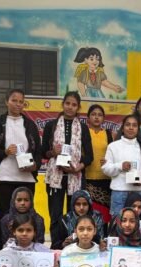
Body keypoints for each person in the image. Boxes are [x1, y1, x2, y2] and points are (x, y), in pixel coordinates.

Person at [42, 91, 93, 244]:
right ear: (63, 104)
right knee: (55, 214)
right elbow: (43, 152)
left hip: (75, 177)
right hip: (55, 178)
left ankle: (74, 245)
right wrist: (53, 152)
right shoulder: (51, 126)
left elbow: (89, 156)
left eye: (74, 105)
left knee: (75, 214)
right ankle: (56, 246)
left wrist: (78, 168)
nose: (70, 107)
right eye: (67, 103)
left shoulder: (83, 128)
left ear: (78, 107)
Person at [0, 89, 42, 220]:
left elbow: (38, 152)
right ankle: (4, 235)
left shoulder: (30, 125)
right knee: (4, 214)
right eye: (14, 100)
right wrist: (5, 152)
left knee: (26, 217)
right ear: (6, 102)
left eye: (21, 102)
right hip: (3, 177)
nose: (18, 104)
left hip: (26, 178)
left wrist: (35, 166)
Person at [102, 115, 141, 216]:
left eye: (134, 125)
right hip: (119, 192)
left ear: (138, 129)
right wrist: (120, 166)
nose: (131, 128)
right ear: (122, 128)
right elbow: (106, 168)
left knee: (140, 223)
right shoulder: (113, 146)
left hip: (139, 192)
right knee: (117, 222)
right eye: (128, 125)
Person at [85, 104, 113, 224]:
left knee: (104, 214)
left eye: (100, 115)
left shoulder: (109, 134)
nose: (96, 117)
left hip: (105, 178)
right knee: (89, 213)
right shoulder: (84, 132)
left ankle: (104, 234)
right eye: (93, 114)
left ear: (103, 119)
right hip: (87, 178)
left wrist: (109, 161)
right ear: (88, 118)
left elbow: (113, 154)